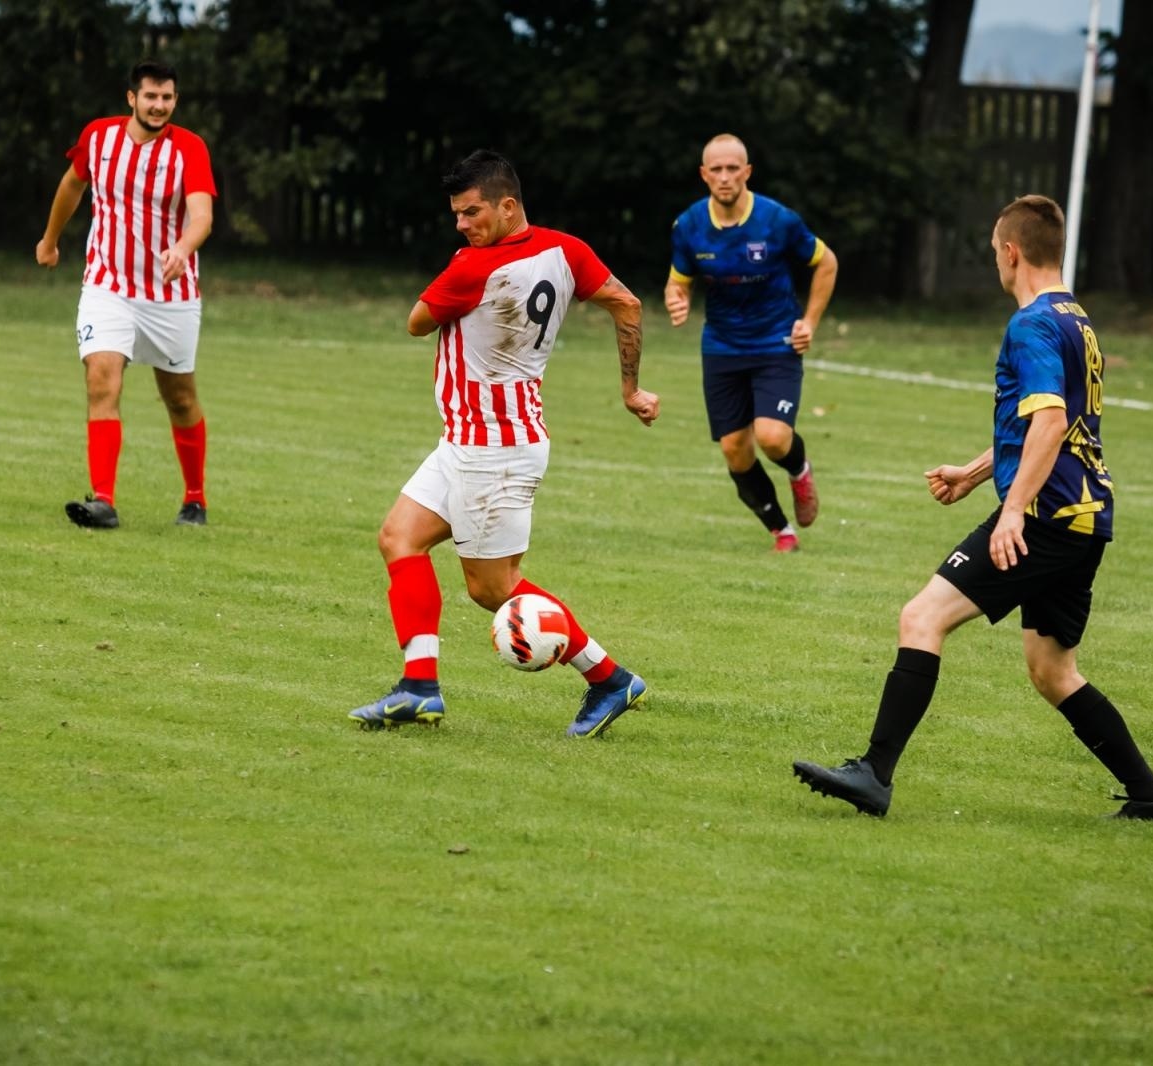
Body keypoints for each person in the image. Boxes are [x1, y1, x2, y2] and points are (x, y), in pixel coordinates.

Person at [791, 195, 1153, 822]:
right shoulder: (1075, 318)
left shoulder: (1030, 324)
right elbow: (1052, 423)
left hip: (1044, 518)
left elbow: (1049, 424)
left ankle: (874, 773)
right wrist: (976, 474)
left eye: (994, 253)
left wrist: (1012, 510)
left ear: (1011, 252)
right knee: (1053, 671)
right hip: (1083, 518)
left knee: (922, 617)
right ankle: (1152, 797)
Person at [348, 149, 660, 738]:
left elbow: (417, 322)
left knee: (493, 589)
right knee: (399, 538)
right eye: (456, 214)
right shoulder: (567, 250)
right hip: (471, 438)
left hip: (494, 448)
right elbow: (627, 302)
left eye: (472, 212)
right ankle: (419, 687)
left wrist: (464, 274)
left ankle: (610, 679)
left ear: (508, 206)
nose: (461, 225)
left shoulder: (474, 267)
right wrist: (631, 389)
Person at [35, 58, 217, 529]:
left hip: (170, 295)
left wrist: (182, 248)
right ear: (132, 98)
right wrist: (50, 240)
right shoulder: (99, 137)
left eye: (167, 97)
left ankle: (195, 498)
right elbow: (71, 186)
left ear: (175, 100)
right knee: (102, 378)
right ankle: (103, 501)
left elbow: (202, 216)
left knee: (179, 398)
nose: (159, 105)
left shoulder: (189, 148)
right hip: (107, 285)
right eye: (151, 96)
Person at [664, 133, 838, 553]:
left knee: (773, 437)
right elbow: (677, 281)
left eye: (732, 168)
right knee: (735, 450)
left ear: (747, 172)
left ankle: (799, 470)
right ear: (704, 175)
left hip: (776, 341)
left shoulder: (777, 221)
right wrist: (676, 298)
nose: (725, 177)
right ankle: (782, 531)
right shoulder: (688, 226)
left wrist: (809, 322)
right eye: (716, 169)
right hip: (722, 347)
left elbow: (826, 262)